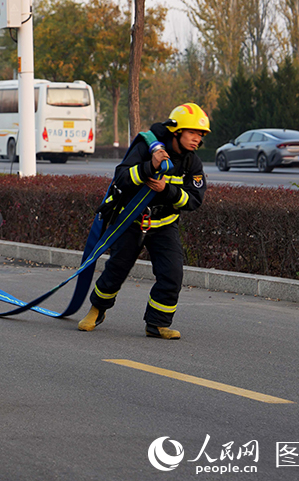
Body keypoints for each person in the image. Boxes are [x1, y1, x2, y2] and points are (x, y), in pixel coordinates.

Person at [78, 103, 210, 339]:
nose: (196, 140)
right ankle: (97, 310)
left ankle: (157, 323)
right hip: (132, 220)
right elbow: (121, 178)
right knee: (116, 270)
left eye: (200, 135)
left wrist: (165, 190)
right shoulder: (146, 147)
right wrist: (151, 166)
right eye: (192, 133)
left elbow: (193, 200)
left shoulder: (193, 163)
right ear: (176, 132)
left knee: (172, 274)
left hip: (165, 224)